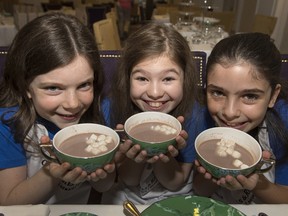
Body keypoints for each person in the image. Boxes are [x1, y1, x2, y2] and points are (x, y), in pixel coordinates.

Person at [0, 12, 116, 205]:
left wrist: (102, 171)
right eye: (53, 88)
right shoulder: (8, 123)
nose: (72, 104)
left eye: (84, 85)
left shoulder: (101, 111)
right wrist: (53, 171)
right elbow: (9, 202)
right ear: (25, 85)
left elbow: (104, 186)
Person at [100, 22, 200, 204]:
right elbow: (129, 180)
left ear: (185, 79)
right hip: (126, 198)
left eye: (168, 78)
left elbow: (176, 183)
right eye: (142, 78)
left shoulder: (194, 115)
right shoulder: (111, 109)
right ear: (127, 77)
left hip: (176, 199)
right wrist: (135, 155)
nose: (155, 92)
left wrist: (163, 156)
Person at [193, 32, 288, 204]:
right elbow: (199, 190)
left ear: (273, 96)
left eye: (250, 96)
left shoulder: (282, 123)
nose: (229, 112)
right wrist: (212, 171)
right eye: (218, 92)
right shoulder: (203, 117)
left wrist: (257, 184)